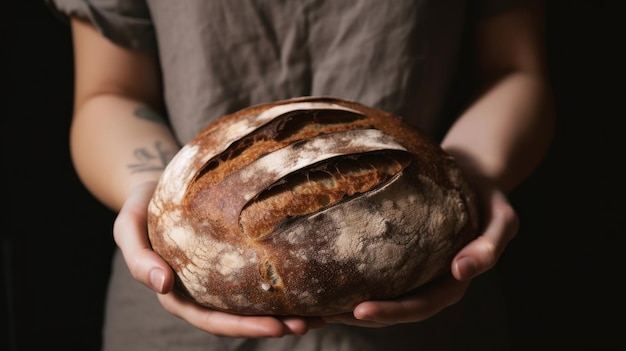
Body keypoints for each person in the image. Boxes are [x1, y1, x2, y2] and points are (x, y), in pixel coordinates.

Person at [45, 0, 554, 350]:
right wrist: (149, 190)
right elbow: (109, 92)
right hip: (173, 315)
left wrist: (475, 171)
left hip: (433, 302)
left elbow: (514, 68)